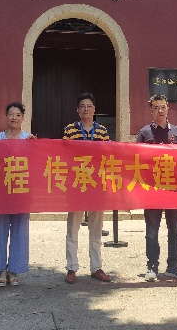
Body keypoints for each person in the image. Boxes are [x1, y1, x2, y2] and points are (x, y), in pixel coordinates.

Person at [136, 94, 177, 282]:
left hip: (173, 189)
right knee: (152, 231)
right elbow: (137, 159)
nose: (160, 111)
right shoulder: (145, 133)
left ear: (168, 109)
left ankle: (173, 266)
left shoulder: (176, 132)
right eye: (156, 107)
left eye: (163, 107)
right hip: (153, 190)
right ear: (150, 110)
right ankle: (152, 266)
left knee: (175, 230)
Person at [0, 102, 36, 287]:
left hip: (21, 190)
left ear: (23, 118)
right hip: (0, 190)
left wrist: (35, 147)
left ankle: (14, 269)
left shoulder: (29, 139)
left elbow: (36, 162)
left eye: (18, 115)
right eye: (11, 114)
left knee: (20, 229)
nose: (14, 118)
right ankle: (0, 269)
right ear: (6, 117)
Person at [62, 92, 111, 284]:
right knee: (73, 227)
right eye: (82, 106)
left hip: (96, 184)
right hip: (76, 183)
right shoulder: (70, 130)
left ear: (94, 109)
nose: (86, 109)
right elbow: (63, 154)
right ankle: (71, 267)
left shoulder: (102, 131)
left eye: (89, 106)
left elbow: (108, 154)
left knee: (96, 229)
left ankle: (96, 267)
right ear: (77, 110)